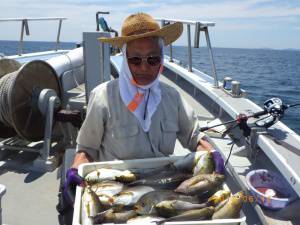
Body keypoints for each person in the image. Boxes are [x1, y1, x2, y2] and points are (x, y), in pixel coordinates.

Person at [62, 12, 224, 209]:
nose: (144, 67)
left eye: (153, 59)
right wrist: (75, 169)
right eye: (136, 60)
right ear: (125, 58)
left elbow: (193, 137)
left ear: (162, 59)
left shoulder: (172, 97)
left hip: (165, 188)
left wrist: (211, 153)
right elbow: (87, 149)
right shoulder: (102, 96)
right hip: (117, 192)